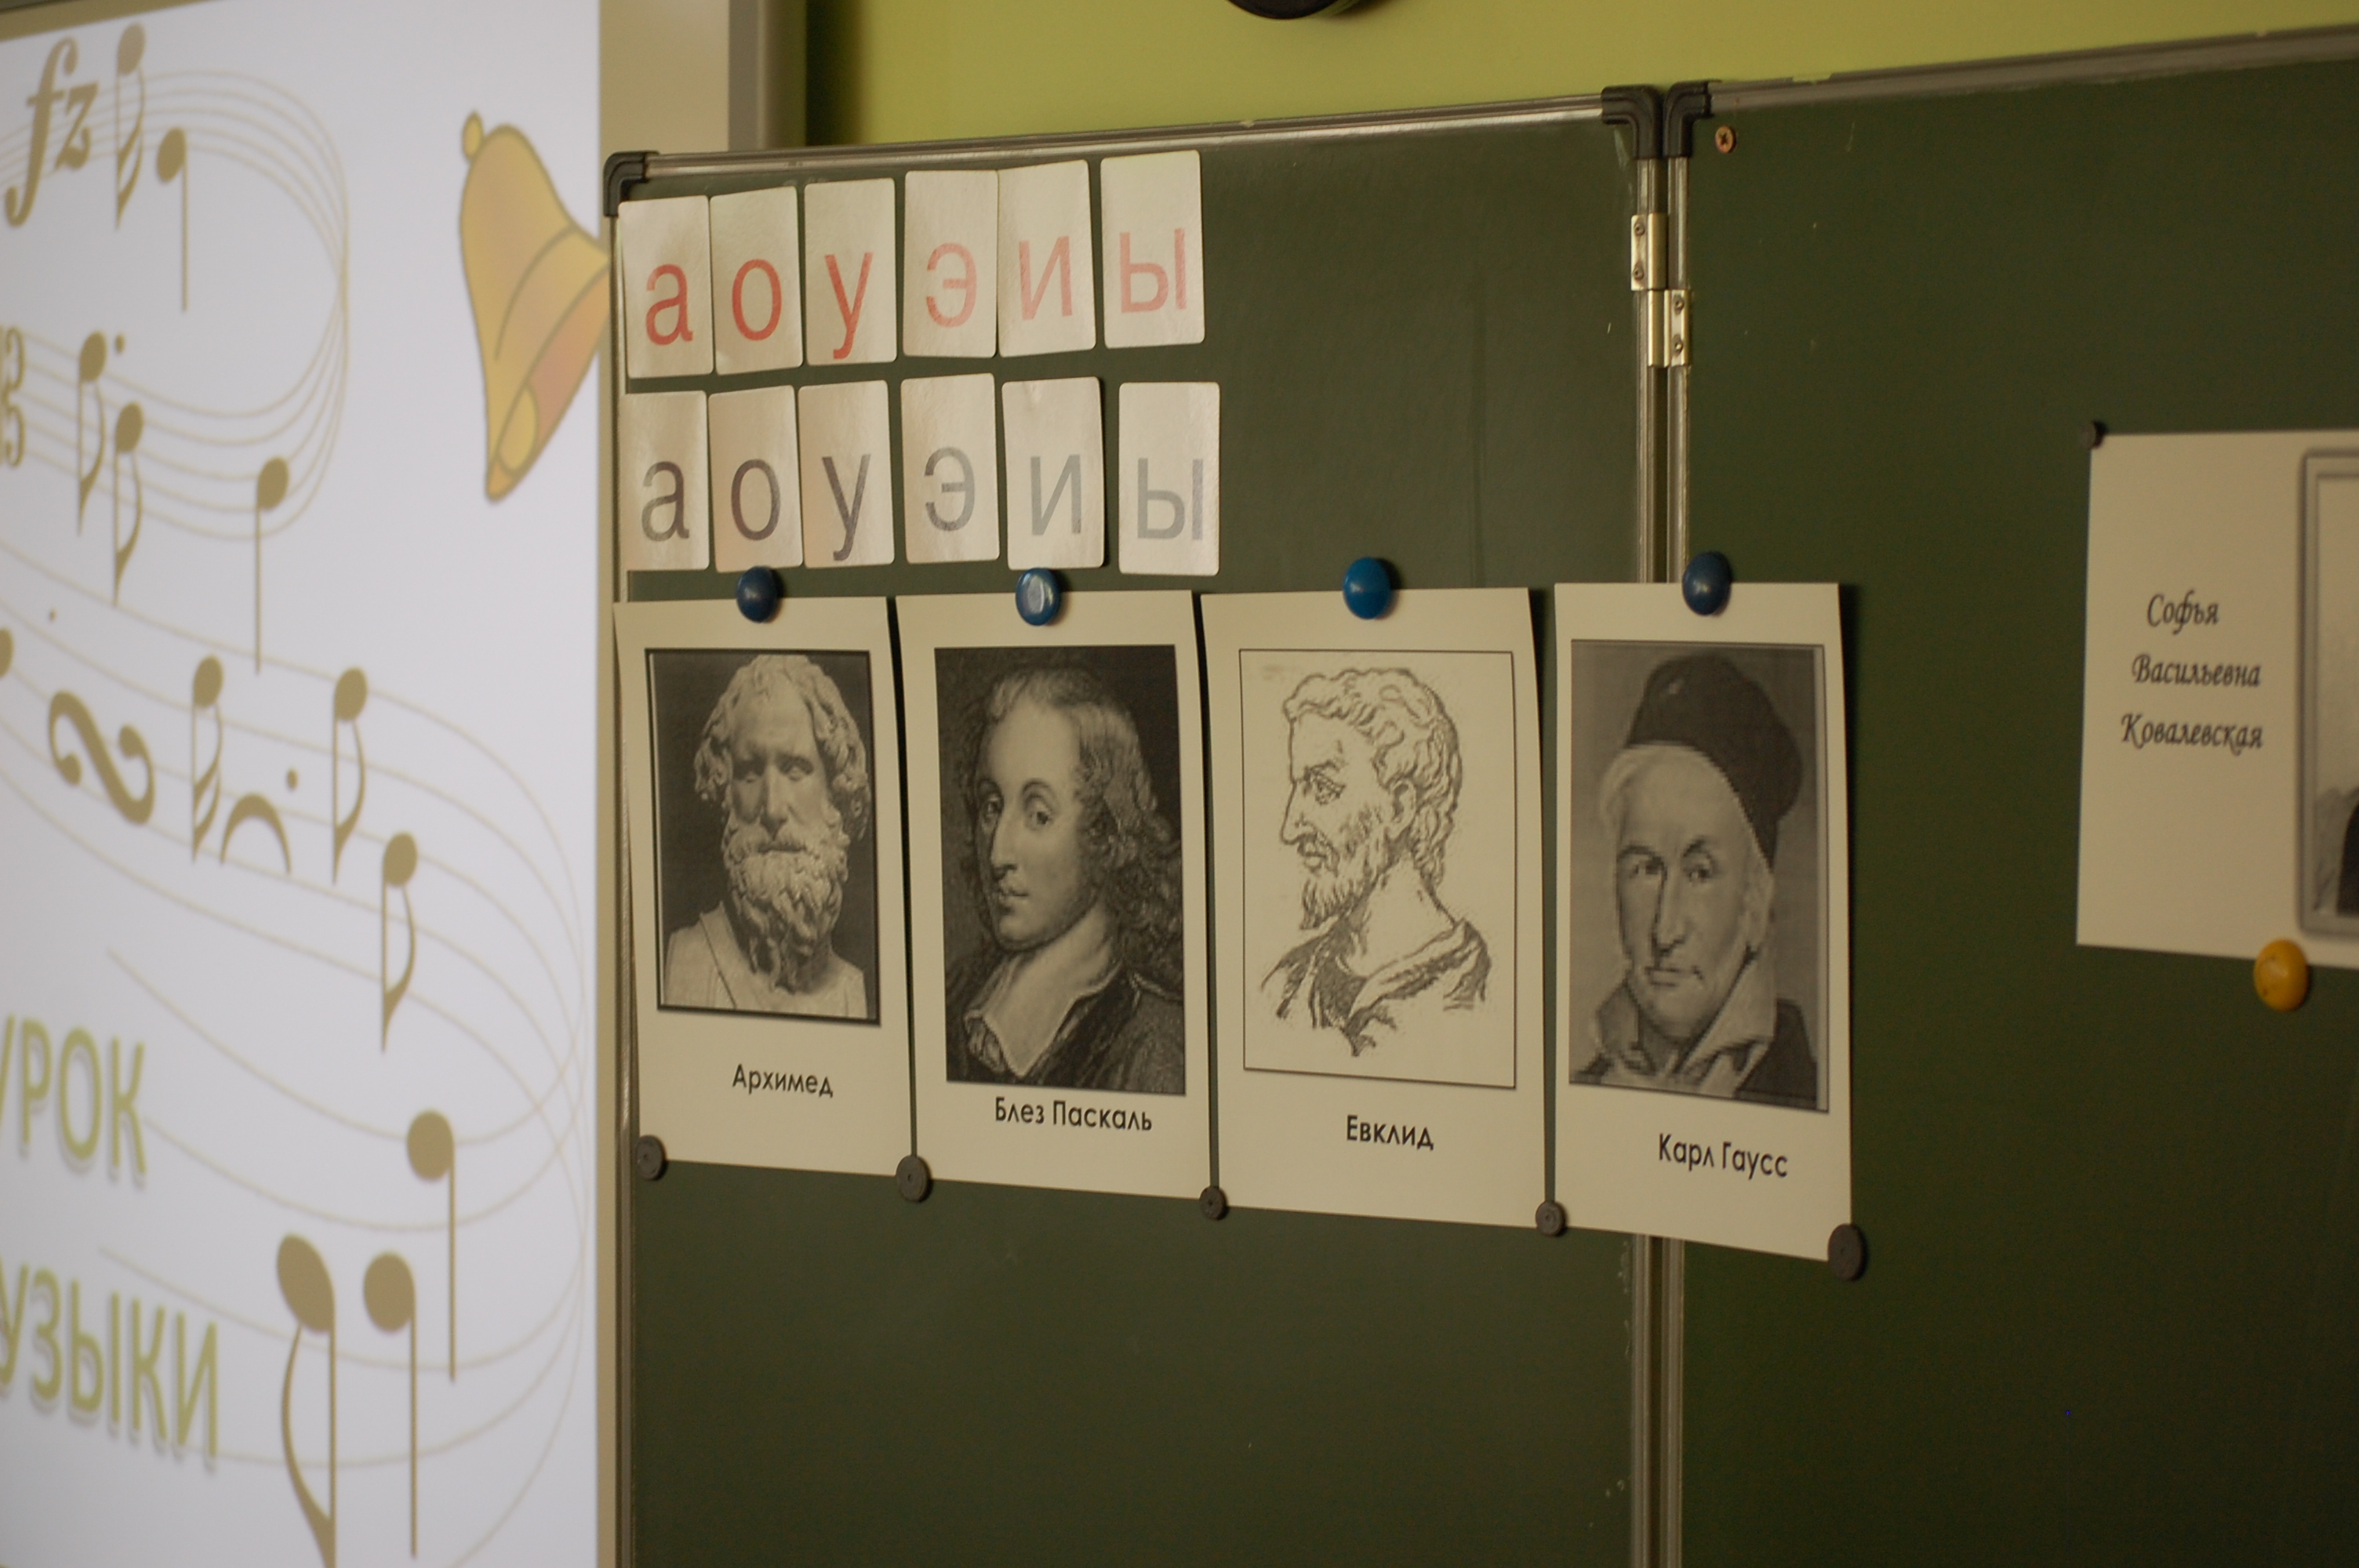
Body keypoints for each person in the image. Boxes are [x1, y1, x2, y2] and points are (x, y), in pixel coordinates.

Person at [1574, 652, 1816, 1107]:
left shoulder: (1799, 1094)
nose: (1665, 931)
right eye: (1646, 869)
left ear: (1754, 903)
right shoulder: (1585, 1087)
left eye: (1700, 873)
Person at [946, 665, 1186, 1094]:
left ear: (1105, 834)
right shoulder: (961, 991)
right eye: (991, 807)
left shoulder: (1151, 1044)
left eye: (1039, 815)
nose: (998, 855)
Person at [1260, 668, 1489, 1058]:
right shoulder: (1284, 986)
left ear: (1399, 808)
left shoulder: (1472, 992)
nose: (1290, 827)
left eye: (1323, 788)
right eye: (1298, 788)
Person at [664, 654, 873, 1018]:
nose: (773, 809)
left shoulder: (852, 990)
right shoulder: (687, 961)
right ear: (725, 792)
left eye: (795, 770)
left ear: (835, 792)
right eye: (750, 773)